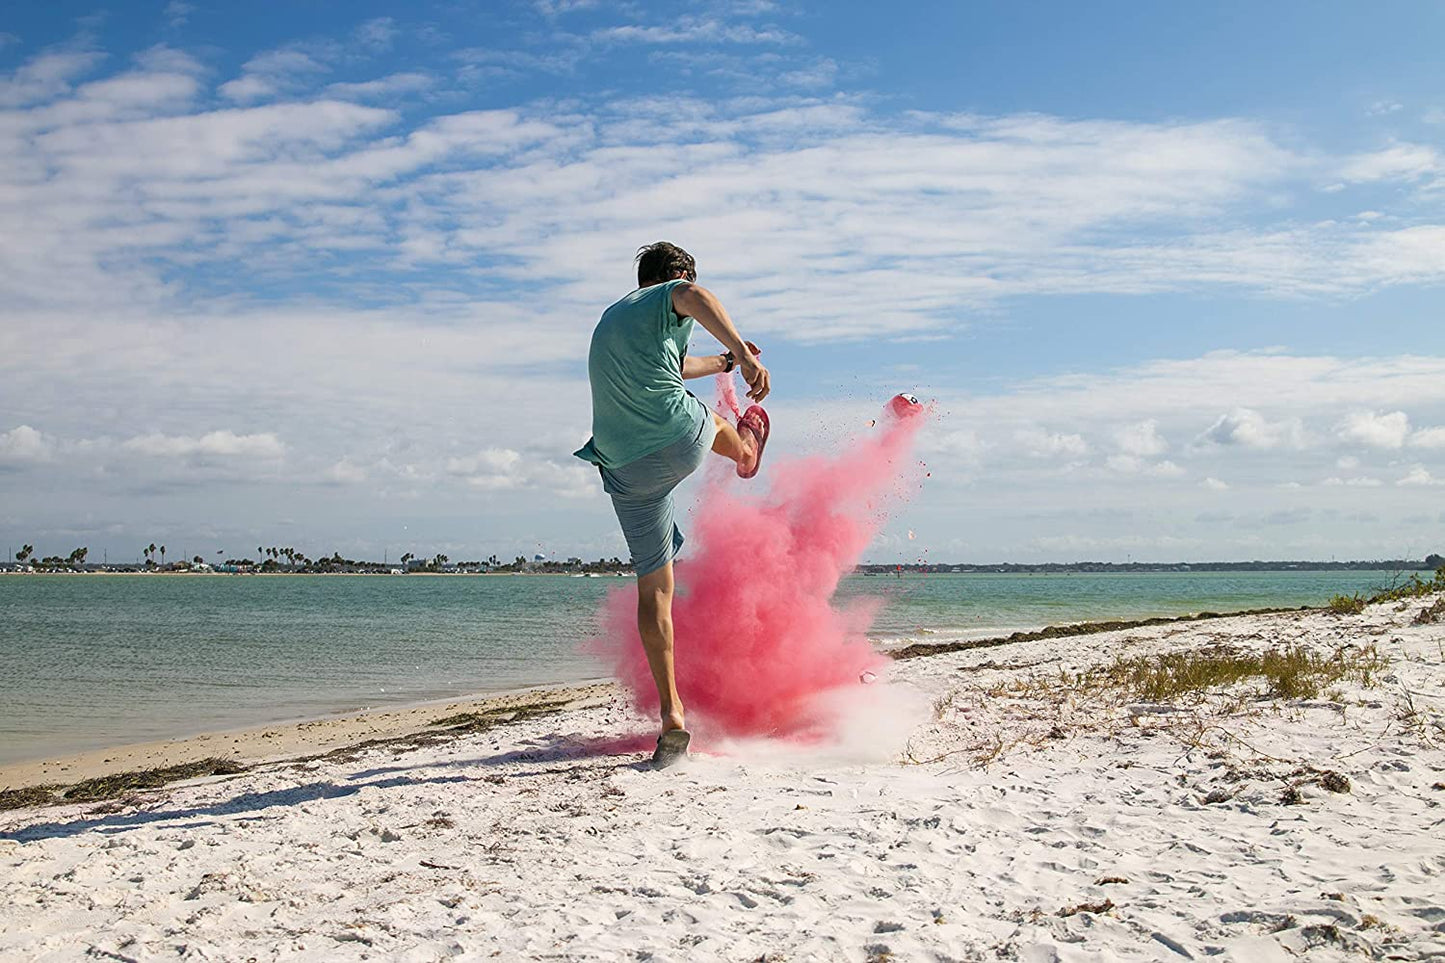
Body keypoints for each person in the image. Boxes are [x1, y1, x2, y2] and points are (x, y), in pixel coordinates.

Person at [575, 241, 770, 768]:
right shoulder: (672, 293)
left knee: (654, 590)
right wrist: (748, 360)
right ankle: (746, 453)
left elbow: (677, 365)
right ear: (674, 276)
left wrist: (727, 361)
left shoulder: (620, 319)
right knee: (708, 425)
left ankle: (672, 717)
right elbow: (695, 295)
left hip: (622, 468)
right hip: (671, 433)